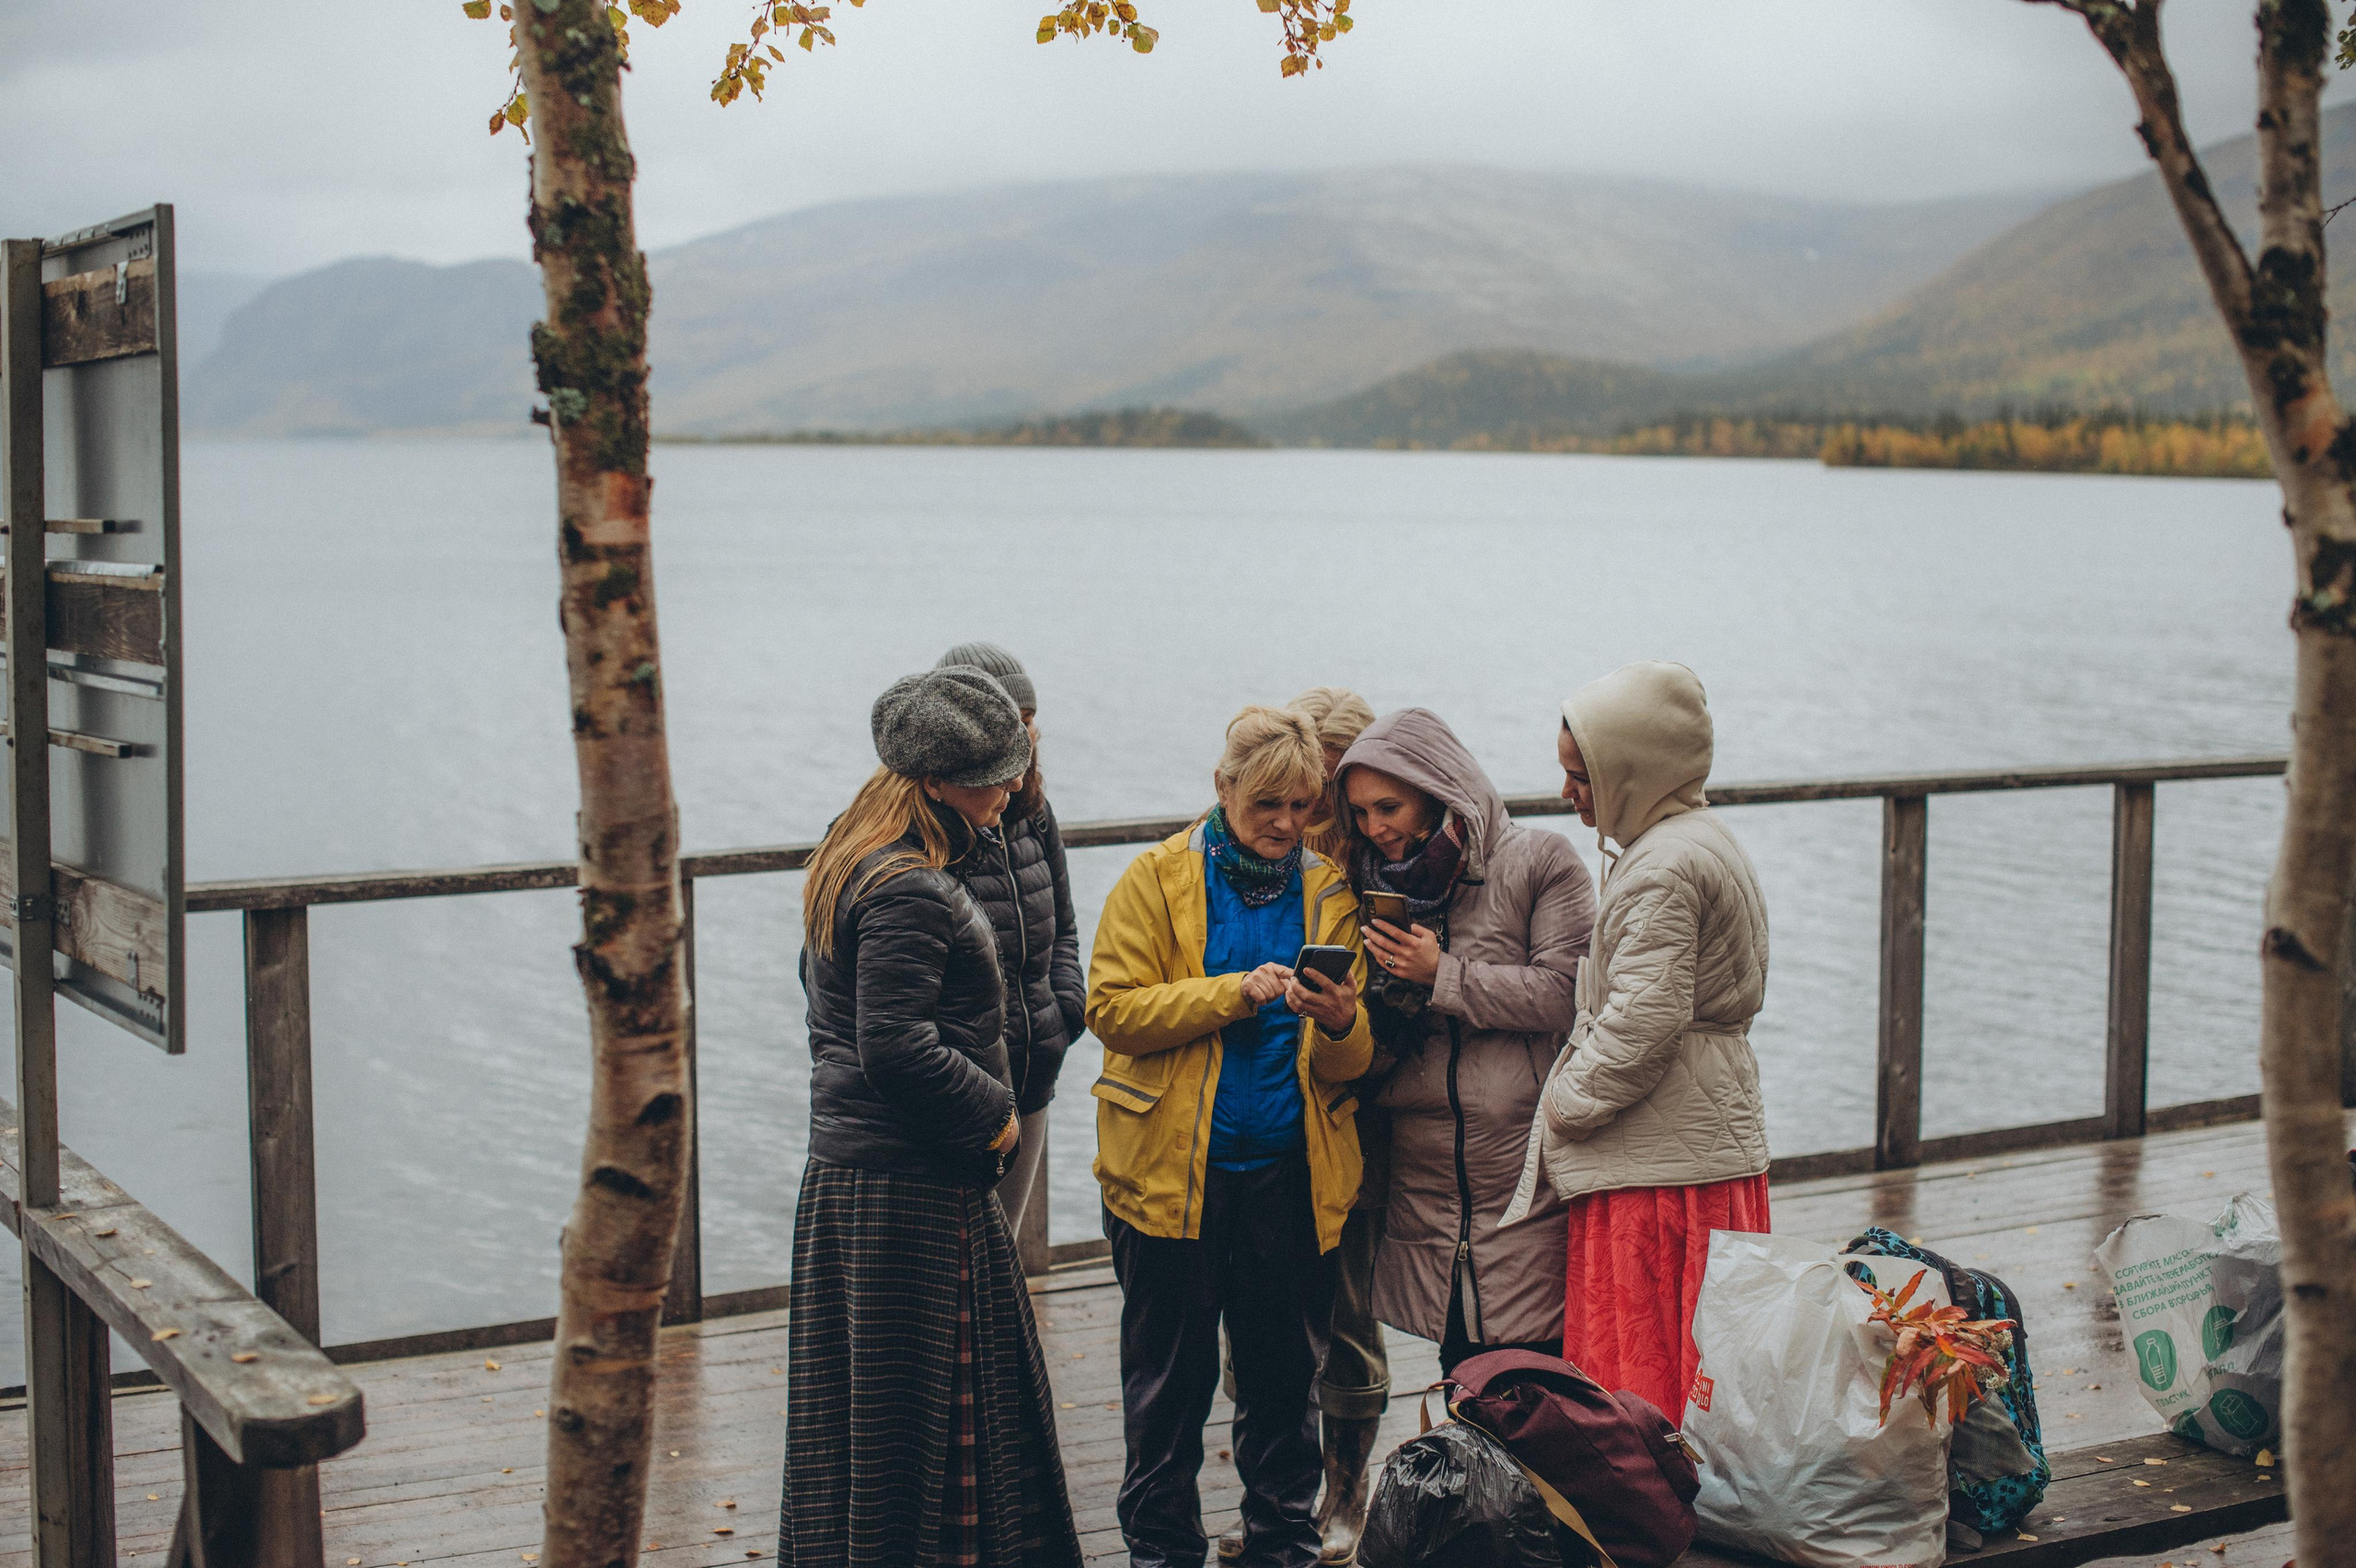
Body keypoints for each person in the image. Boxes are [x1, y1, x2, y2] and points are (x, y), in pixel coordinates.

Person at [782, 664, 1082, 1568]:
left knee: (867, 1433)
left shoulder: (850, 856)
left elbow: (840, 1024)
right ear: (936, 782)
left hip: (859, 1181)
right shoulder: (909, 887)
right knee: (929, 1438)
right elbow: (894, 1045)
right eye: (994, 777)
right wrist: (997, 1116)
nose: (1010, 791)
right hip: (913, 1191)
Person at [1087, 706, 1375, 1568]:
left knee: (1284, 1391)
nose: (1286, 824)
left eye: (1302, 806)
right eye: (1266, 806)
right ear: (1223, 789)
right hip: (1171, 1182)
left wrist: (1341, 1019)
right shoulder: (1153, 879)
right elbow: (1111, 1011)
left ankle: (1282, 1548)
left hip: (1289, 1178)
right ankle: (1161, 1552)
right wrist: (1230, 993)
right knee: (1168, 1394)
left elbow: (1351, 1062)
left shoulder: (1329, 892)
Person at [1501, 661, 1771, 1423]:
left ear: (1632, 768)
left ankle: (1654, 1487)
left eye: (1581, 774)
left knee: (1646, 1366)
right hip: (1702, 1144)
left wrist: (1567, 1104)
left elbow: (1643, 1022)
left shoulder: (1662, 868)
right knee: (1712, 1361)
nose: (1568, 792)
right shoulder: (1699, 838)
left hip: (1659, 1171)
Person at [1334, 708, 1596, 1375]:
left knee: (1540, 1374)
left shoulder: (1539, 861)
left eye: (1388, 807)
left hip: (1522, 1165)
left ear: (1436, 789)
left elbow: (1566, 993)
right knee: (1463, 1375)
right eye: (1360, 813)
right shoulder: (1367, 885)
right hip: (1423, 1171)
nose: (1374, 828)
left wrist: (1441, 974)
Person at [935, 640, 1085, 1253]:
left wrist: (1063, 1014)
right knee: (957, 1268)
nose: (1025, 737)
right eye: (1008, 723)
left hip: (1032, 1072)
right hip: (962, 1091)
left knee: (1005, 1258)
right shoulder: (930, 832)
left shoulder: (1035, 816)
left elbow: (1064, 928)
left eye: (1028, 721)